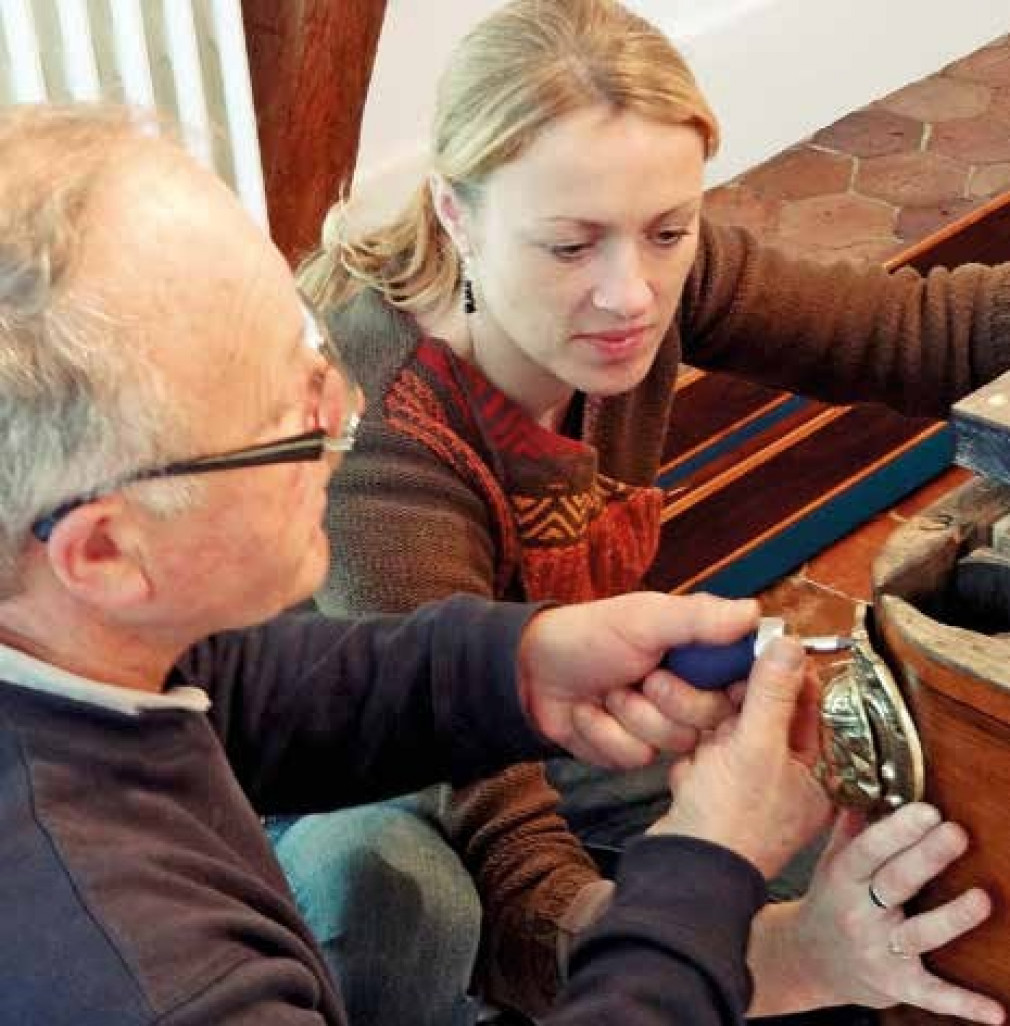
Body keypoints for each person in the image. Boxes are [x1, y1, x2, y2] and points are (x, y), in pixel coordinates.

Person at [0, 100, 937, 1026]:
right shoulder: (147, 976)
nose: (344, 412)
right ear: (107, 551)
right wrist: (709, 871)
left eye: (311, 353)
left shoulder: (73, 650)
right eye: (282, 419)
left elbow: (233, 696)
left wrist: (517, 667)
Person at [290, 0, 1010, 1022]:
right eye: (569, 245)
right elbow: (499, 830)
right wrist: (778, 952)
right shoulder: (380, 432)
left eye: (667, 230)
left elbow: (915, 335)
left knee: (877, 851)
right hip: (347, 783)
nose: (630, 294)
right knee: (398, 896)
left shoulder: (636, 269)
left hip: (541, 718)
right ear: (455, 213)